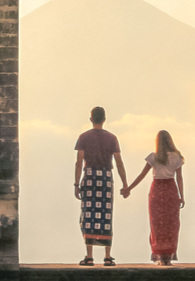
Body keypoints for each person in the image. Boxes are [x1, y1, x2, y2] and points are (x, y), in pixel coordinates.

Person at [74, 106, 128, 266]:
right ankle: (107, 256)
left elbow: (79, 162)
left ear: (91, 119)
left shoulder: (83, 137)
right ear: (104, 119)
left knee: (88, 216)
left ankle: (89, 256)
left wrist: (76, 184)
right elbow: (119, 162)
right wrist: (125, 184)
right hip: (106, 177)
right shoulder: (112, 138)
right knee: (106, 216)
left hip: (90, 176)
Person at [123, 130, 185, 265]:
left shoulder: (153, 157)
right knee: (171, 224)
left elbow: (141, 175)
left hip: (157, 191)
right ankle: (168, 256)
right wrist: (181, 196)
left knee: (157, 224)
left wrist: (129, 188)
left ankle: (160, 256)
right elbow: (179, 178)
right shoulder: (176, 157)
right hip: (170, 190)